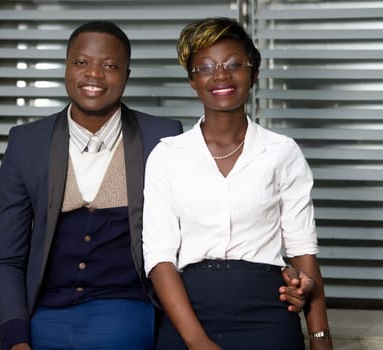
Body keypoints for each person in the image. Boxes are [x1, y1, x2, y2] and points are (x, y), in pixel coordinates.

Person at [0, 20, 313, 350]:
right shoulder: (27, 142)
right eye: (81, 63)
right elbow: (7, 257)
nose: (94, 75)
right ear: (66, 68)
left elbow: (208, 217)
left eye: (110, 65)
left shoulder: (161, 137)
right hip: (46, 311)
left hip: (128, 309)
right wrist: (15, 336)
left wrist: (277, 272)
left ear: (127, 75)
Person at [142, 17, 332, 350]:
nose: (220, 75)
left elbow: (303, 253)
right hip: (189, 311)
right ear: (192, 80)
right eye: (206, 67)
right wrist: (198, 342)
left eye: (234, 64)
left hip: (268, 309)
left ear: (253, 73)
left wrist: (320, 337)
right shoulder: (167, 156)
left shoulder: (282, 152)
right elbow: (159, 259)